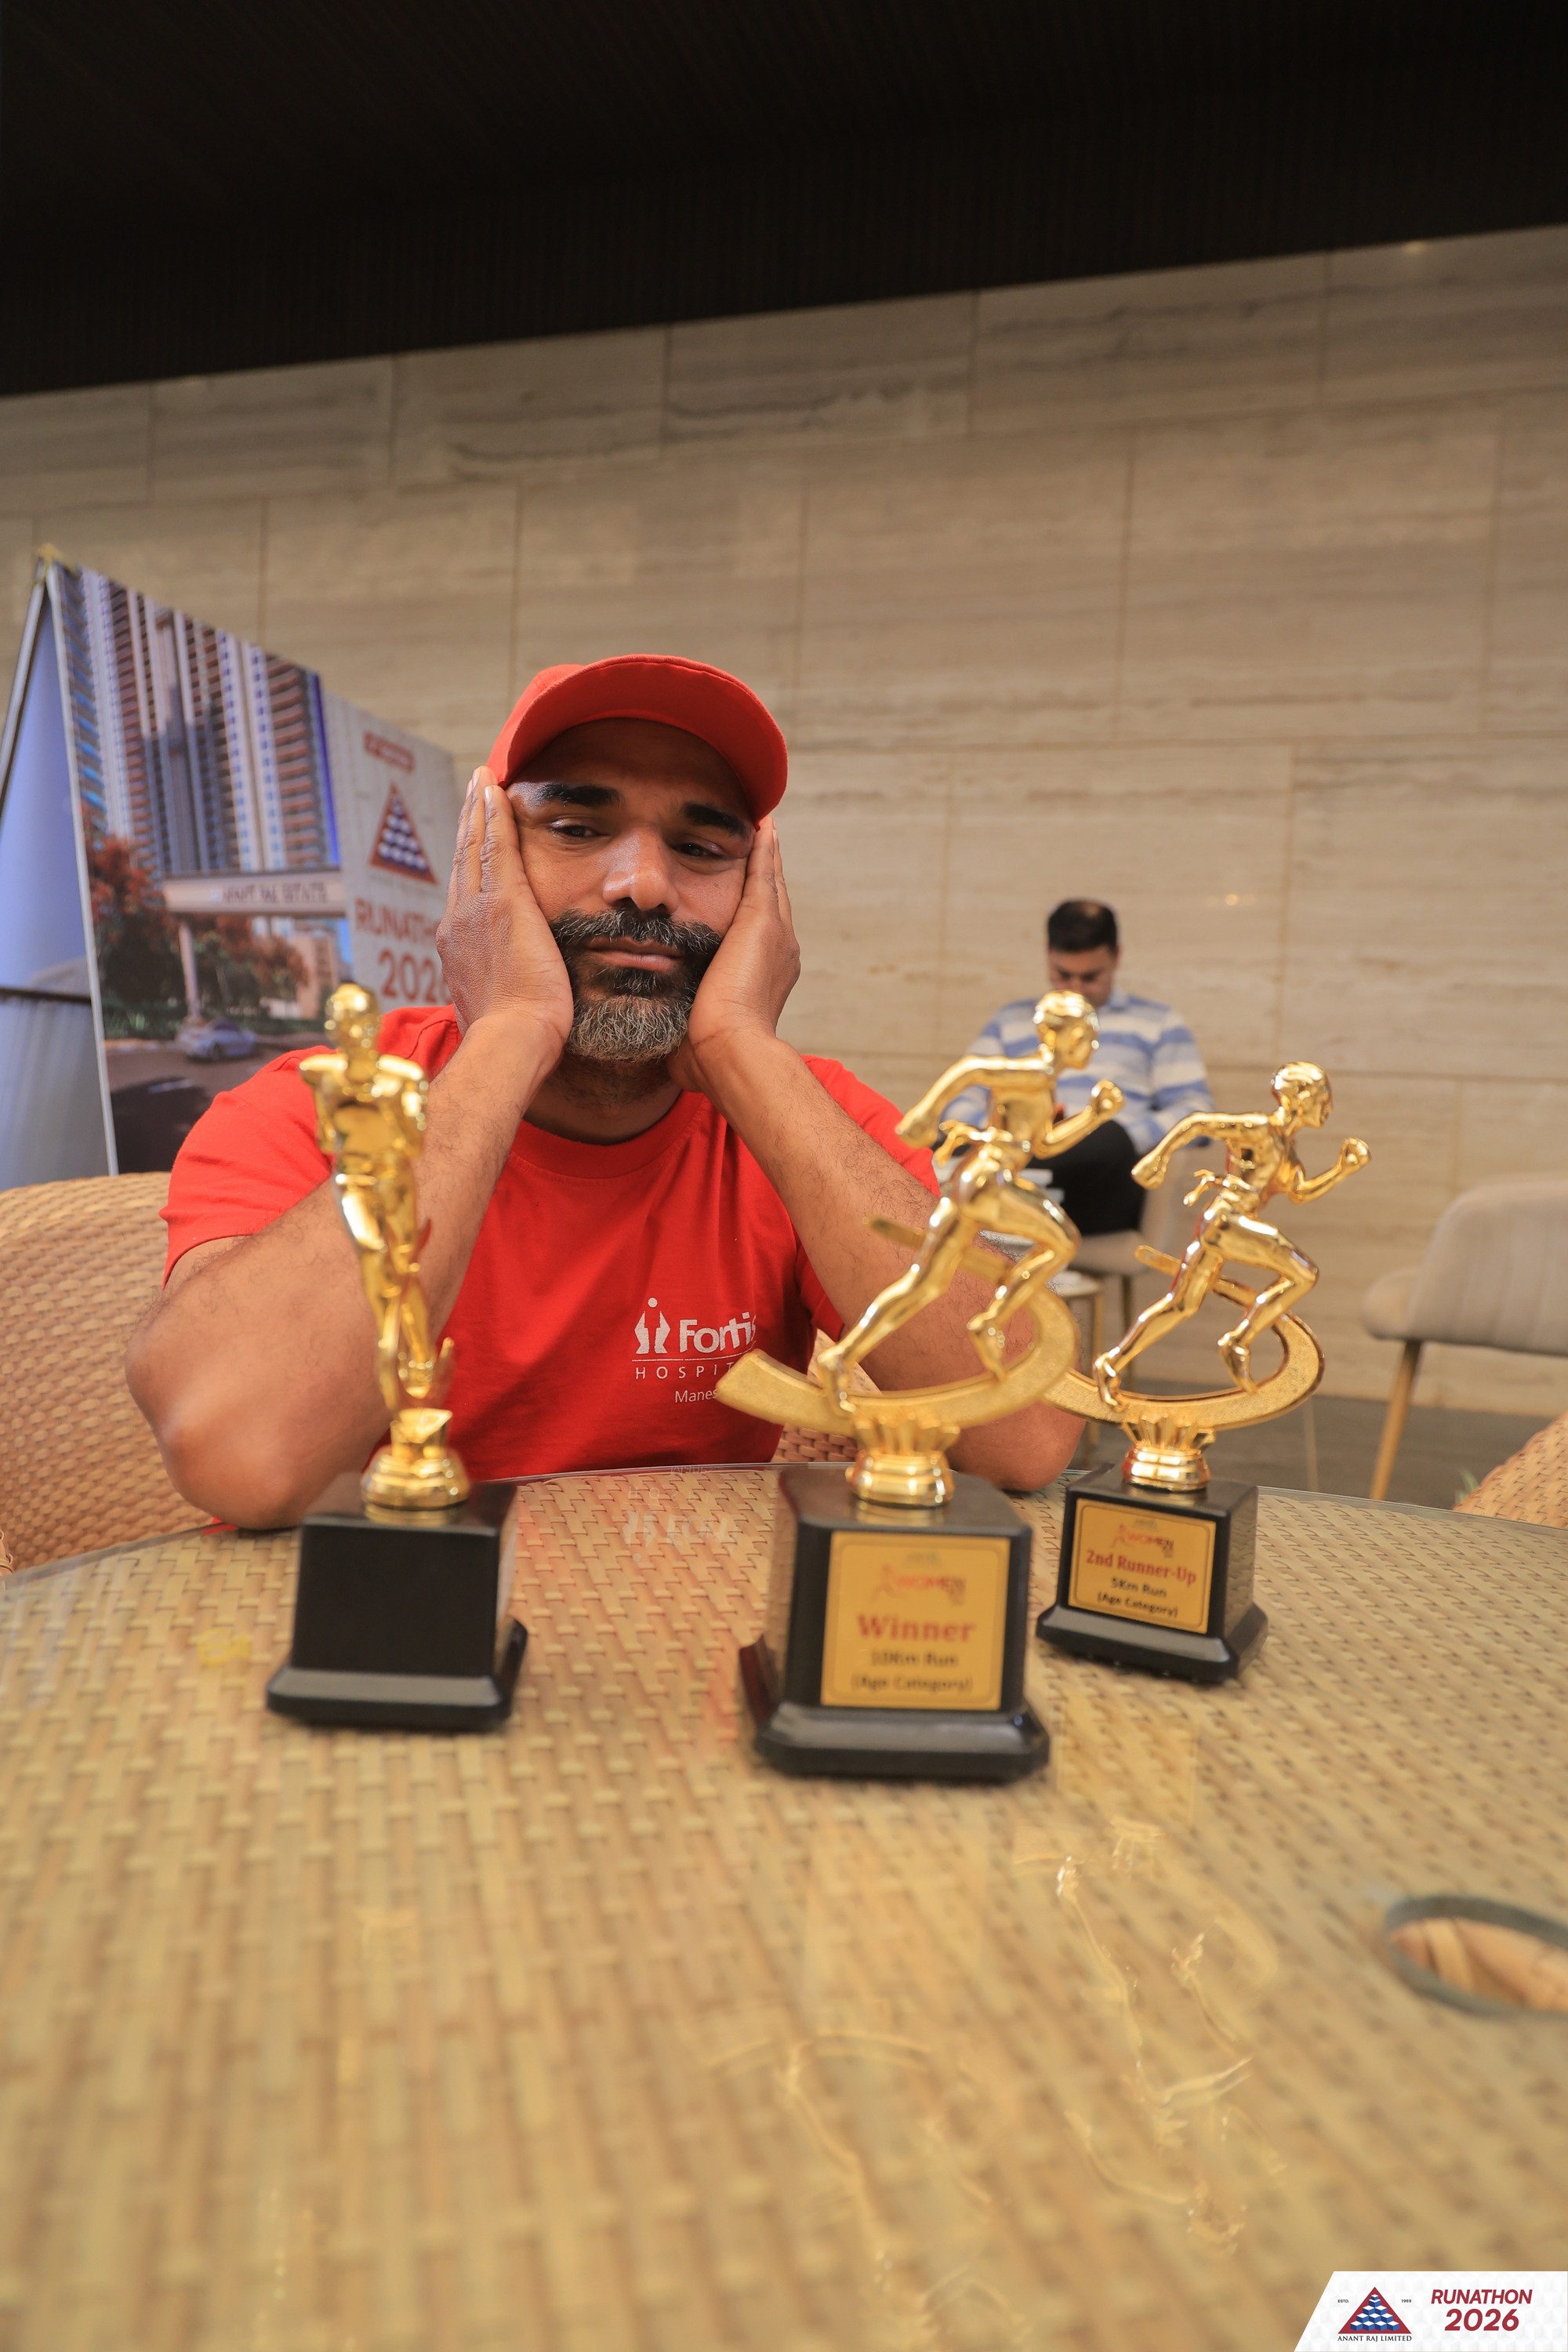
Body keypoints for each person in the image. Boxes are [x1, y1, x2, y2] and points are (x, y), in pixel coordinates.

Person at [128, 655, 1079, 1524]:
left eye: (701, 848)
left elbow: (1025, 1435)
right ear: (482, 864)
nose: (644, 885)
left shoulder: (807, 1114)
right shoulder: (318, 1105)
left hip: (682, 1626)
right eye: (578, 829)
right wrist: (511, 1029)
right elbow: (240, 1455)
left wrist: (742, 1051)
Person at [817, 991, 1122, 1403]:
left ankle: (840, 1358)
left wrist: (1094, 1117)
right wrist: (927, 1113)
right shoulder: (1033, 1072)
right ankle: (992, 1322)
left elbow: (1044, 1145)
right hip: (990, 1181)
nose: (1093, 1046)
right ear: (1064, 1037)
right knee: (1063, 1242)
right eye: (1088, 1037)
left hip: (976, 1180)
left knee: (924, 1284)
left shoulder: (1043, 1082)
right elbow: (972, 1068)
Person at [945, 898, 1213, 1236]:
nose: (1075, 989)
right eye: (1063, 975)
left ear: (1116, 957)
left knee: (1108, 1137)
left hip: (1099, 1184)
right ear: (1048, 955)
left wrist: (1121, 1136)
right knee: (944, 1141)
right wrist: (1007, 1133)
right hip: (1019, 1161)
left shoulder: (1158, 1023)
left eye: (1090, 977)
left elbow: (1195, 1111)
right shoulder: (1012, 1020)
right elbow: (960, 1103)